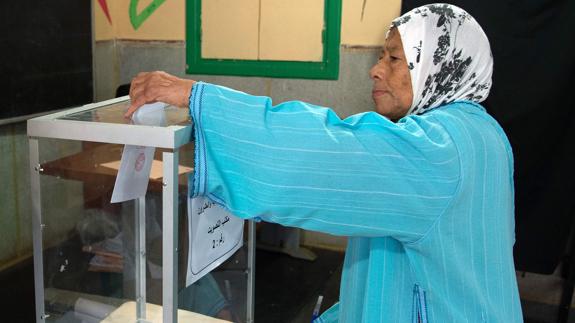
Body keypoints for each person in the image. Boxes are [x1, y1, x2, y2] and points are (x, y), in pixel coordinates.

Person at [126, 3, 523, 322]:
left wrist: (200, 99)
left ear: (437, 65)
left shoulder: (439, 150)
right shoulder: (481, 134)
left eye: (394, 59)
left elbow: (323, 153)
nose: (376, 69)